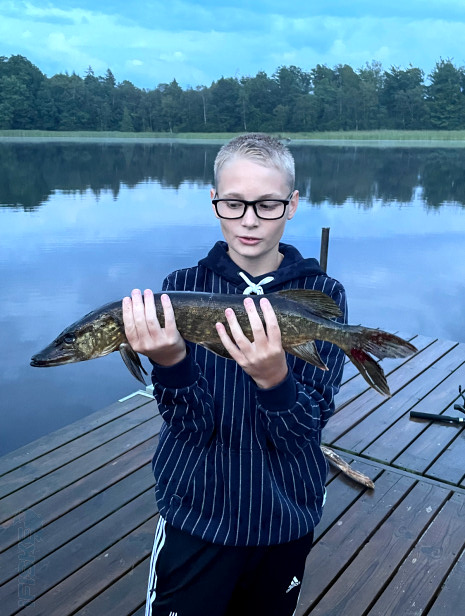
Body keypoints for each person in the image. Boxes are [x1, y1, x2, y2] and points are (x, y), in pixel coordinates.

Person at [122, 133, 347, 616]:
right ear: (214, 201)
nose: (249, 220)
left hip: (283, 515)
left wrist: (275, 381)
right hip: (197, 514)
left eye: (267, 204)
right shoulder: (178, 290)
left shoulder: (321, 293)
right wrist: (171, 364)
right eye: (234, 203)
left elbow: (306, 429)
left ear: (292, 204)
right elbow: (190, 423)